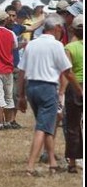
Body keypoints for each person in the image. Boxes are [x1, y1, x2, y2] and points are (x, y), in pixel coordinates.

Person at [18, 14, 82, 175]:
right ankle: (30, 166)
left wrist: (21, 96)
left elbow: (21, 71)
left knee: (46, 125)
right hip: (47, 87)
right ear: (58, 28)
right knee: (42, 127)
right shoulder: (57, 45)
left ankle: (52, 163)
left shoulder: (31, 44)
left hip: (31, 87)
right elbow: (67, 71)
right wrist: (79, 90)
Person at [62, 15, 83, 173]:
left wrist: (61, 91)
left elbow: (67, 72)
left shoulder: (69, 47)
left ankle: (73, 162)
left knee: (73, 125)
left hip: (74, 87)